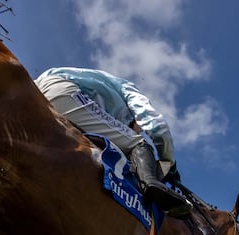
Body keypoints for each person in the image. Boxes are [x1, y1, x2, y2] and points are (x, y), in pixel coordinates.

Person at [34, 67, 192, 218]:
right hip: (61, 91)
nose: (136, 129)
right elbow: (157, 125)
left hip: (37, 89)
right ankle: (151, 183)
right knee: (138, 143)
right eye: (137, 127)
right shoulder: (129, 89)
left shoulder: (102, 86)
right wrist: (169, 161)